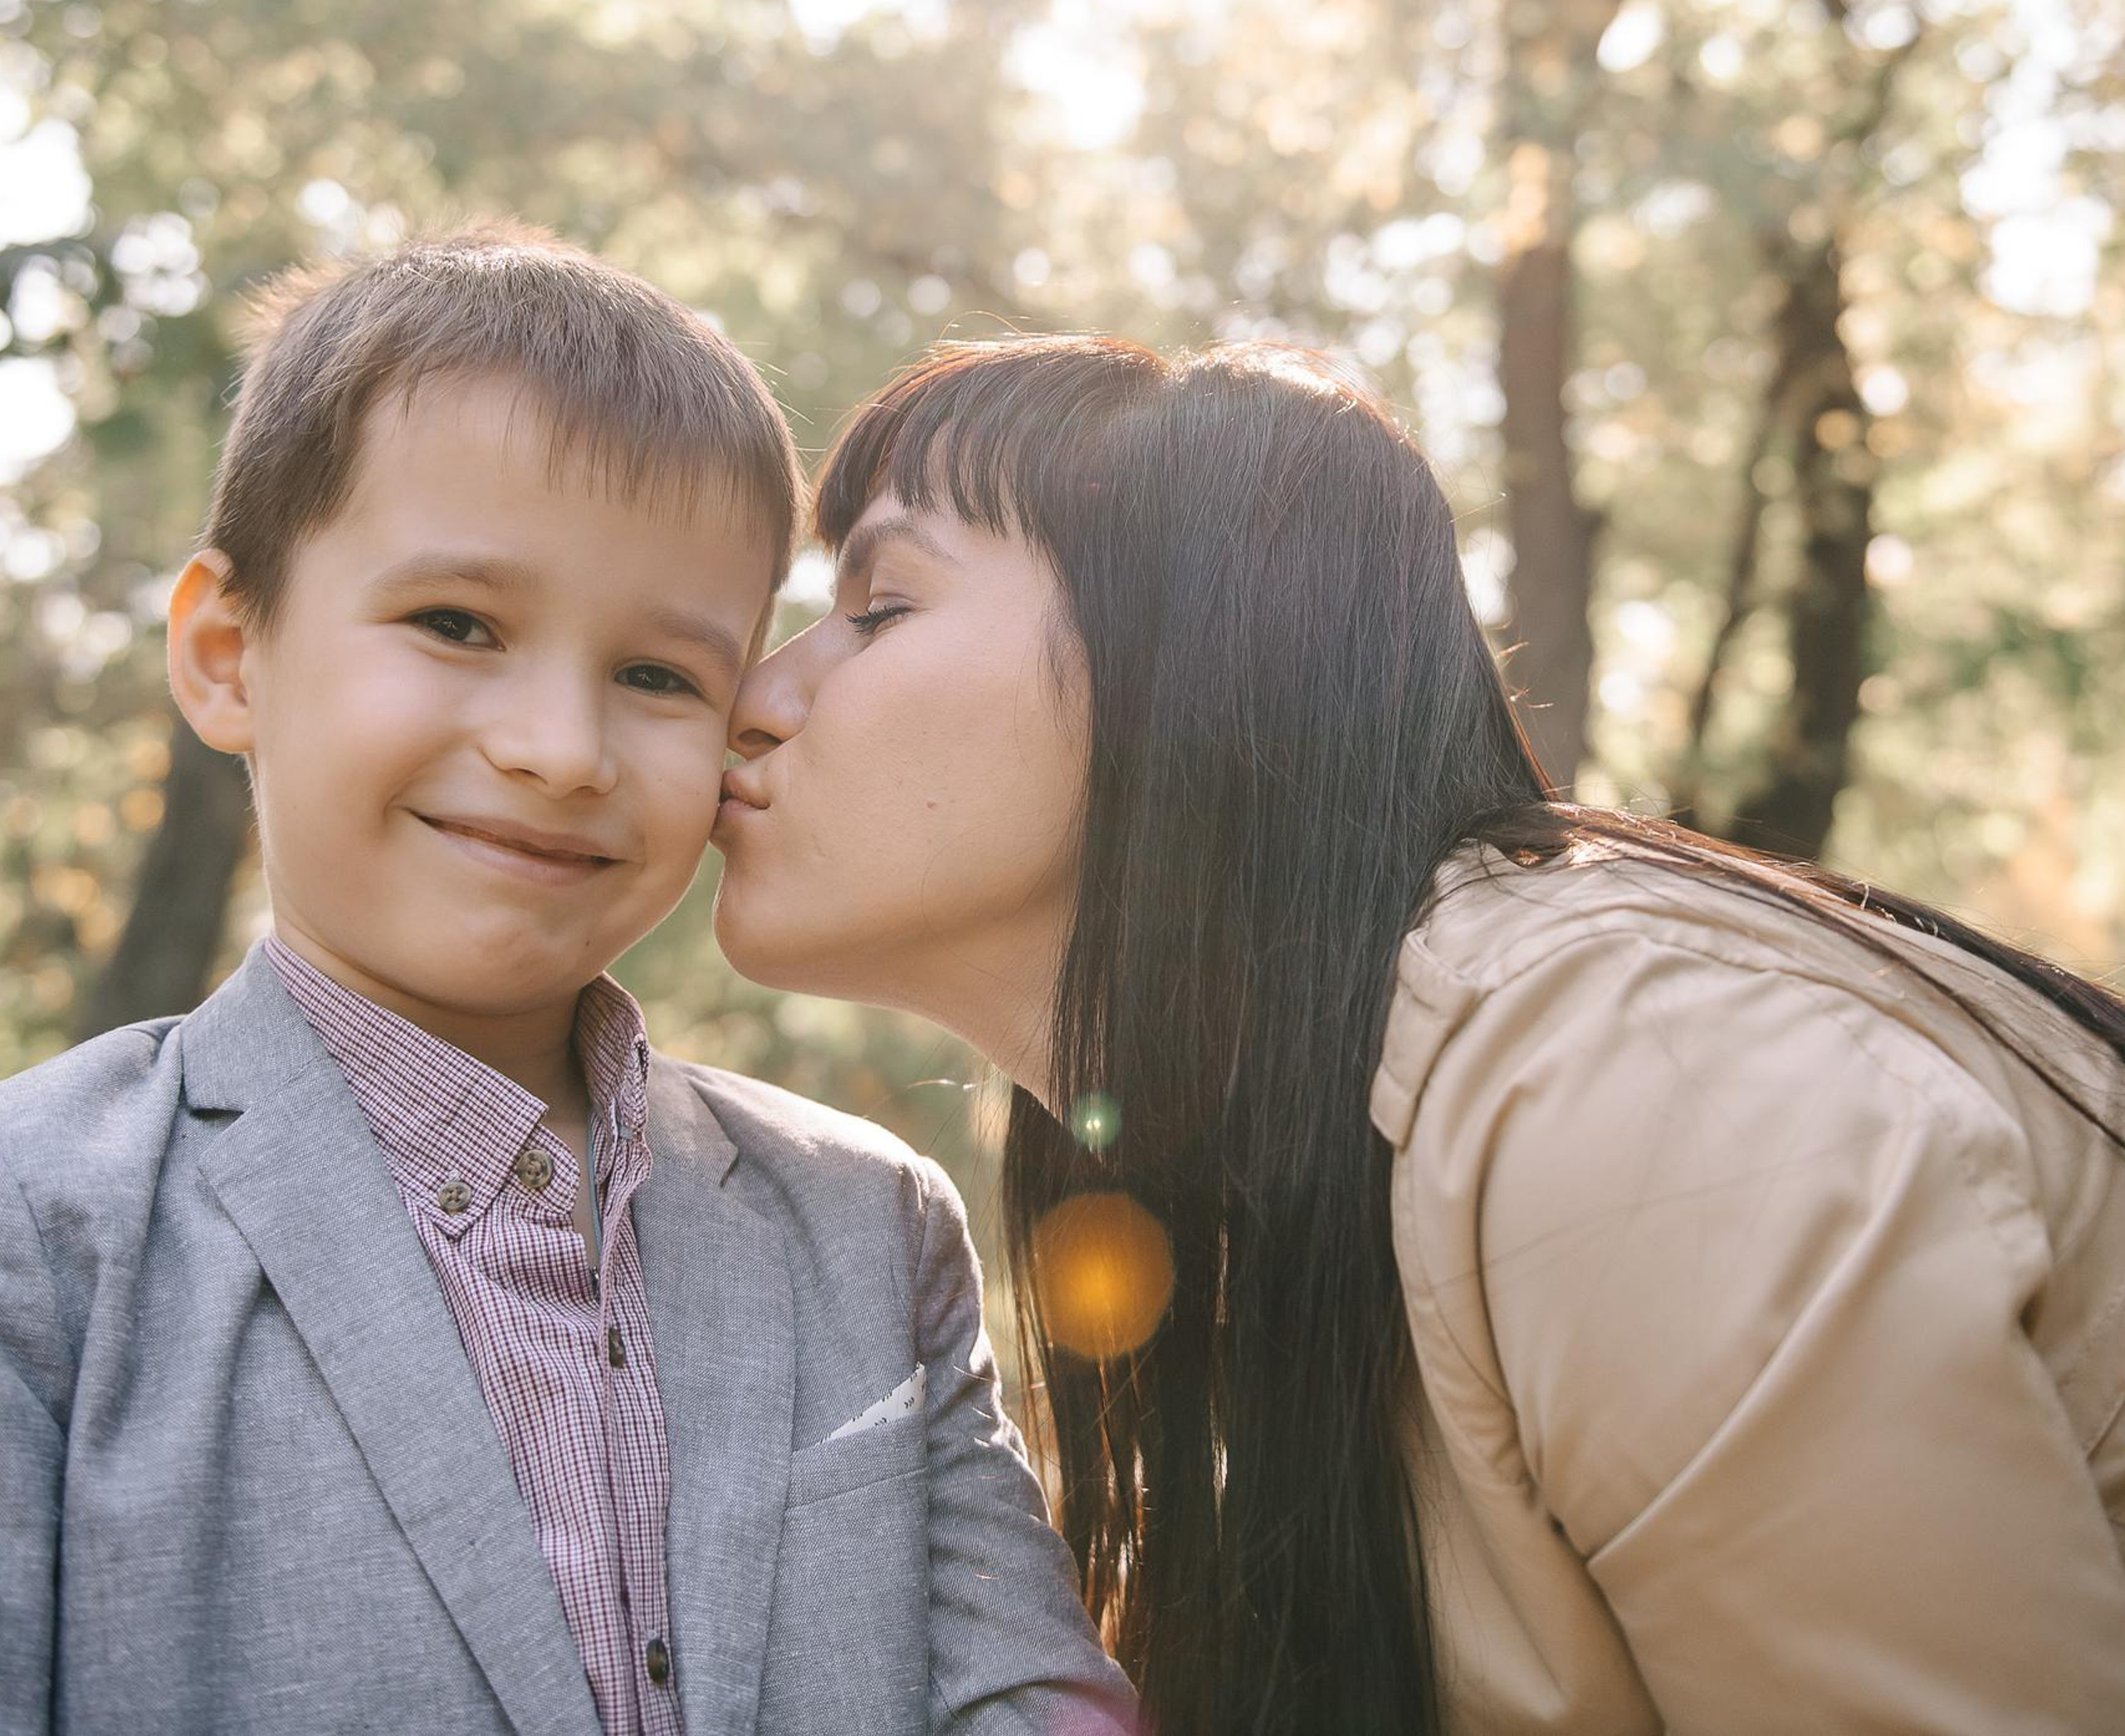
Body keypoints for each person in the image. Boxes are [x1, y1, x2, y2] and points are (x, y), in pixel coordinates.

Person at [713, 332, 2125, 1736]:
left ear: (1194, 661)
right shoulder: (1235, 1197)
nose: (756, 699)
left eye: (880, 608)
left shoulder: (1625, 1087)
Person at [0, 230, 1134, 1736]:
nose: (562, 748)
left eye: (661, 676)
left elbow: (1026, 1695)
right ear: (227, 652)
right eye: (456, 626)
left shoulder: (867, 1227)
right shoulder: (47, 1233)